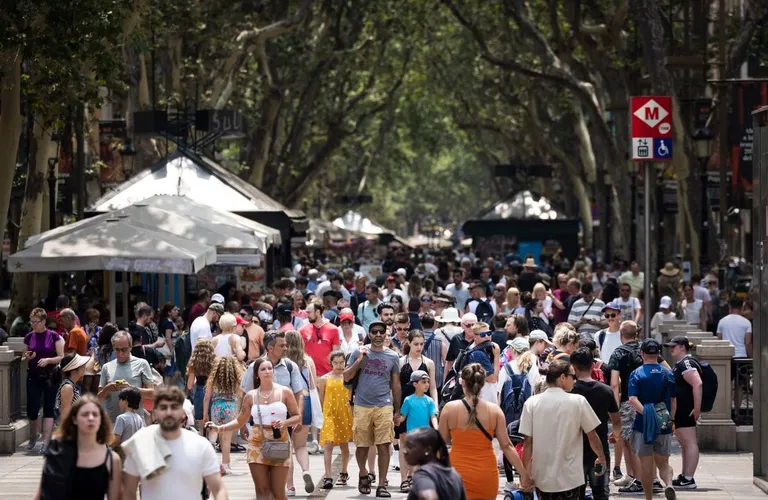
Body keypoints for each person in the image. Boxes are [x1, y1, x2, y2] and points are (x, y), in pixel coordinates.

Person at [208, 358, 300, 500]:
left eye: (270, 368)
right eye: (263, 369)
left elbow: (297, 417)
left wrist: (285, 422)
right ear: (257, 374)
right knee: (262, 490)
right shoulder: (251, 396)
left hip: (279, 441)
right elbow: (240, 420)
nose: (267, 371)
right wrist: (220, 428)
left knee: (278, 492)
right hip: (257, 442)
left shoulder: (285, 392)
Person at [439, 363, 532, 499]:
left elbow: (440, 444)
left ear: (463, 382)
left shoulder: (450, 409)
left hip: (457, 472)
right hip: (486, 473)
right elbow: (506, 446)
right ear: (483, 384)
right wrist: (524, 474)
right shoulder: (494, 411)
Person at [520, 358, 606, 498]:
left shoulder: (531, 403)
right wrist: (601, 457)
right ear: (562, 377)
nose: (575, 380)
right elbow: (592, 435)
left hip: (542, 477)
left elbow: (528, 441)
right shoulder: (578, 401)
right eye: (573, 376)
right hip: (570, 477)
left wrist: (525, 473)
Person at [123, 387, 227, 500]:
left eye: (174, 407)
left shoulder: (200, 445)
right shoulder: (141, 443)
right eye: (163, 408)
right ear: (155, 413)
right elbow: (128, 491)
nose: (169, 412)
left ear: (183, 414)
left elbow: (219, 489)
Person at [344, 320, 401, 497]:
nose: (378, 335)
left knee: (384, 445)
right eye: (374, 332)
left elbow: (396, 385)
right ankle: (363, 473)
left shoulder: (393, 356)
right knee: (362, 446)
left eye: (381, 332)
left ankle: (382, 485)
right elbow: (346, 376)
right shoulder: (358, 352)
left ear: (385, 335)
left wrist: (397, 410)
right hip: (362, 404)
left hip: (384, 405)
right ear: (369, 334)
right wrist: (360, 359)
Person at [34, 394, 121, 500]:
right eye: (85, 414)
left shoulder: (112, 460)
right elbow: (41, 492)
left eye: (95, 414)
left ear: (101, 420)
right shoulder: (56, 451)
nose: (90, 418)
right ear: (75, 419)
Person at [627, 339, 676, 500]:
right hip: (664, 423)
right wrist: (671, 419)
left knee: (646, 466)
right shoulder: (668, 373)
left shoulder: (637, 373)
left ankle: (649, 498)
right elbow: (674, 401)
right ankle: (669, 484)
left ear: (642, 354)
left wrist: (649, 415)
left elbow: (633, 399)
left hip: (643, 425)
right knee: (664, 463)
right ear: (658, 354)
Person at [569, 348, 621, 500]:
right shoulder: (605, 390)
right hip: (600, 452)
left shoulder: (570, 391)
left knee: (575, 493)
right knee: (601, 492)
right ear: (593, 365)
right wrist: (615, 435)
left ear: (573, 367)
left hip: (575, 451)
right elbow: (616, 420)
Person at [396, 332, 439, 491]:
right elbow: (397, 387)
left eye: (422, 344)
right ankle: (403, 478)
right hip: (405, 405)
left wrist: (435, 406)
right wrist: (395, 409)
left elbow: (433, 386)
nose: (419, 347)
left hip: (423, 404)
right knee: (404, 443)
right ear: (409, 343)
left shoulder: (428, 363)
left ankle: (416, 477)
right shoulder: (400, 362)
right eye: (416, 344)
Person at [23, 308, 65, 453]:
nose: (33, 324)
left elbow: (61, 356)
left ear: (43, 321)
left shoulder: (54, 336)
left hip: (50, 375)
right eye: (32, 321)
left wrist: (48, 360)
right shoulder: (29, 337)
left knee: (49, 407)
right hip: (33, 375)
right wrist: (28, 356)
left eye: (36, 322)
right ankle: (34, 434)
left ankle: (46, 441)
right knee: (32, 409)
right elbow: (24, 355)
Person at [665, 336, 703, 490]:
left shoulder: (686, 362)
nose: (671, 349)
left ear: (682, 347)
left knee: (689, 442)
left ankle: (689, 478)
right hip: (682, 409)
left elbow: (697, 383)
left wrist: (697, 407)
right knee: (684, 444)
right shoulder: (681, 363)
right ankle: (685, 476)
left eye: (673, 346)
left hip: (686, 408)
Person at [284, 329, 319, 494]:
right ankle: (305, 470)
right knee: (301, 445)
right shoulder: (308, 361)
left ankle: (290, 486)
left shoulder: (282, 362)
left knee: (286, 447)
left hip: (285, 402)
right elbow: (313, 386)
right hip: (305, 400)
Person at [97, 331, 154, 424]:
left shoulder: (142, 364)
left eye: (124, 350)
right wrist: (107, 389)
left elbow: (152, 393)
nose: (120, 353)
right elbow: (99, 399)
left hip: (136, 423)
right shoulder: (106, 367)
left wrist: (131, 389)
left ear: (131, 347)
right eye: (117, 350)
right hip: (113, 423)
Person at [318, 351, 354, 490]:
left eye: (341, 362)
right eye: (336, 363)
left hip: (344, 414)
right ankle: (328, 476)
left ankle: (344, 472)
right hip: (329, 414)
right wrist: (322, 414)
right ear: (331, 363)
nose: (339, 365)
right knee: (328, 444)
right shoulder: (324, 379)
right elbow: (322, 398)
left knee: (344, 445)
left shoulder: (348, 378)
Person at [203, 355, 244, 475]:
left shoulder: (213, 378)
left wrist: (205, 414)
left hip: (216, 406)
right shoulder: (236, 378)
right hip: (230, 406)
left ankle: (215, 464)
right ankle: (226, 464)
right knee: (227, 438)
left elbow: (207, 397)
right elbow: (240, 394)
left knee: (217, 436)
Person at [404, 427, 467, 500]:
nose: (405, 451)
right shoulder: (454, 474)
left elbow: (428, 497)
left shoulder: (423, 474)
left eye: (410, 447)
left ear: (427, 450)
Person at [301, 301, 341, 377]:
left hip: (328, 374)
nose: (307, 315)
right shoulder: (303, 330)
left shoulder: (333, 329)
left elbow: (336, 354)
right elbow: (301, 352)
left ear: (317, 312)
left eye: (309, 313)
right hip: (309, 375)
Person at [186, 338, 216, 432]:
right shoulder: (215, 362)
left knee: (201, 425)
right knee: (212, 424)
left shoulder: (194, 364)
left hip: (199, 392)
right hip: (213, 392)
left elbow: (189, 386)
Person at [54, 353, 88, 422]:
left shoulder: (72, 385)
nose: (85, 366)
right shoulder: (68, 387)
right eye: (82, 365)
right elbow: (65, 415)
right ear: (74, 368)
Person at [594, 299, 623, 365]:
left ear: (619, 315)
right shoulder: (599, 335)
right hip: (604, 373)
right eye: (607, 316)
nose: (610, 318)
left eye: (613, 315)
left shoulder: (625, 334)